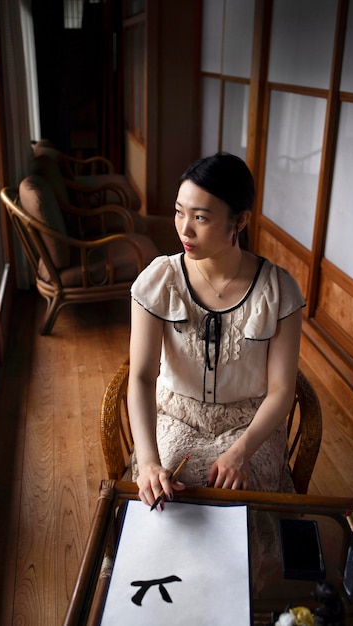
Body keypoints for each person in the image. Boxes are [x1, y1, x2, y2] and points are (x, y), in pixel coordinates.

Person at [127, 152, 305, 511]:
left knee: (241, 502)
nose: (184, 229)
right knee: (170, 495)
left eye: (201, 218)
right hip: (177, 414)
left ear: (239, 221)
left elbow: (283, 390)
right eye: (179, 212)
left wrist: (240, 452)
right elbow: (143, 377)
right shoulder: (160, 280)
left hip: (249, 425)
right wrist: (147, 462)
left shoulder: (279, 289)